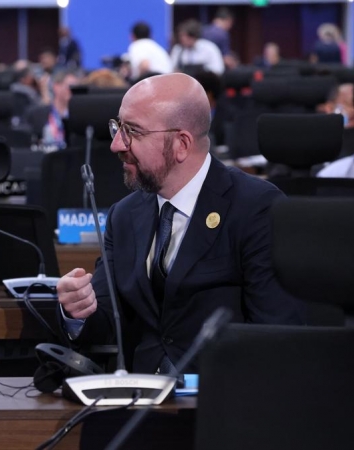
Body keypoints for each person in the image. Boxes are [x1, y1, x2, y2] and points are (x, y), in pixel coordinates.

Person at [56, 73, 305, 374]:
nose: (116, 144)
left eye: (132, 131)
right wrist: (77, 311)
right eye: (117, 127)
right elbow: (107, 324)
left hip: (224, 401)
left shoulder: (257, 208)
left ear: (181, 144)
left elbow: (276, 335)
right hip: (138, 404)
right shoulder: (124, 216)